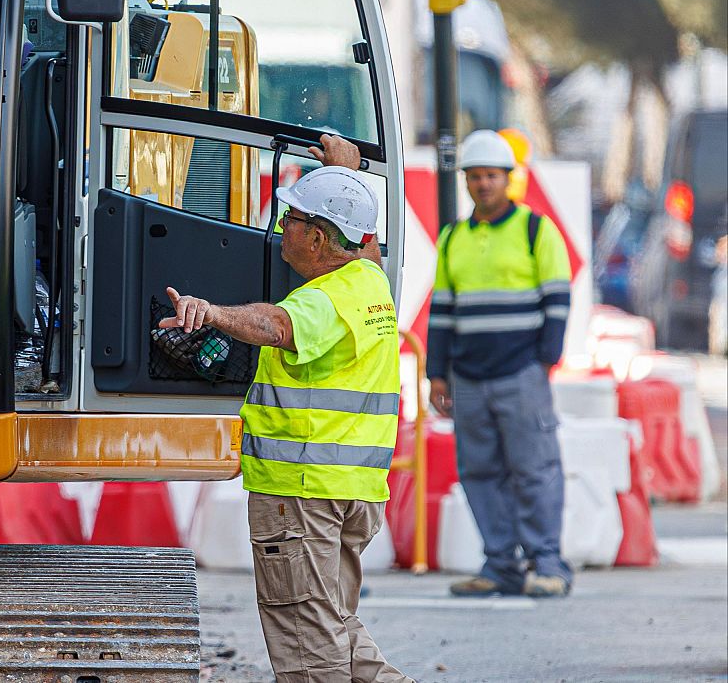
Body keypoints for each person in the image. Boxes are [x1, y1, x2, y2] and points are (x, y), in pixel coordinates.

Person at [161, 144, 412, 683]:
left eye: (291, 219)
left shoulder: (323, 301)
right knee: (334, 625)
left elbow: (277, 326)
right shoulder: (369, 280)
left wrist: (210, 313)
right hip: (352, 491)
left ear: (318, 239)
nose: (281, 228)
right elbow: (363, 238)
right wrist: (343, 177)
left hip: (303, 495)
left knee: (309, 647)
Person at [429, 129, 574, 598]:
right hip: (468, 377)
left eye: (491, 175)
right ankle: (500, 565)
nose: (483, 184)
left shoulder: (536, 230)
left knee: (535, 470)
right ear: (466, 181)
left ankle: (547, 563)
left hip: (521, 372)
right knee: (479, 473)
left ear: (507, 179)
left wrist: (544, 362)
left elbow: (557, 299)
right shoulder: (453, 238)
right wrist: (436, 374)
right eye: (475, 176)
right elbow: (442, 311)